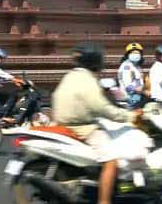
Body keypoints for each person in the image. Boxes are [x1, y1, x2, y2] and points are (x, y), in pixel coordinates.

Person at [51, 43, 133, 204]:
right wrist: (128, 117)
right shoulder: (89, 81)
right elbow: (102, 107)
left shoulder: (71, 75)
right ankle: (104, 201)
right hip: (82, 127)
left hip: (62, 123)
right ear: (95, 62)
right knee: (112, 159)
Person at [115, 42, 146, 107]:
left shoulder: (136, 66)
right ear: (128, 54)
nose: (136, 55)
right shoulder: (126, 67)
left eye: (138, 53)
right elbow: (128, 86)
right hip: (129, 98)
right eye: (133, 53)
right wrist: (143, 91)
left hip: (136, 97)